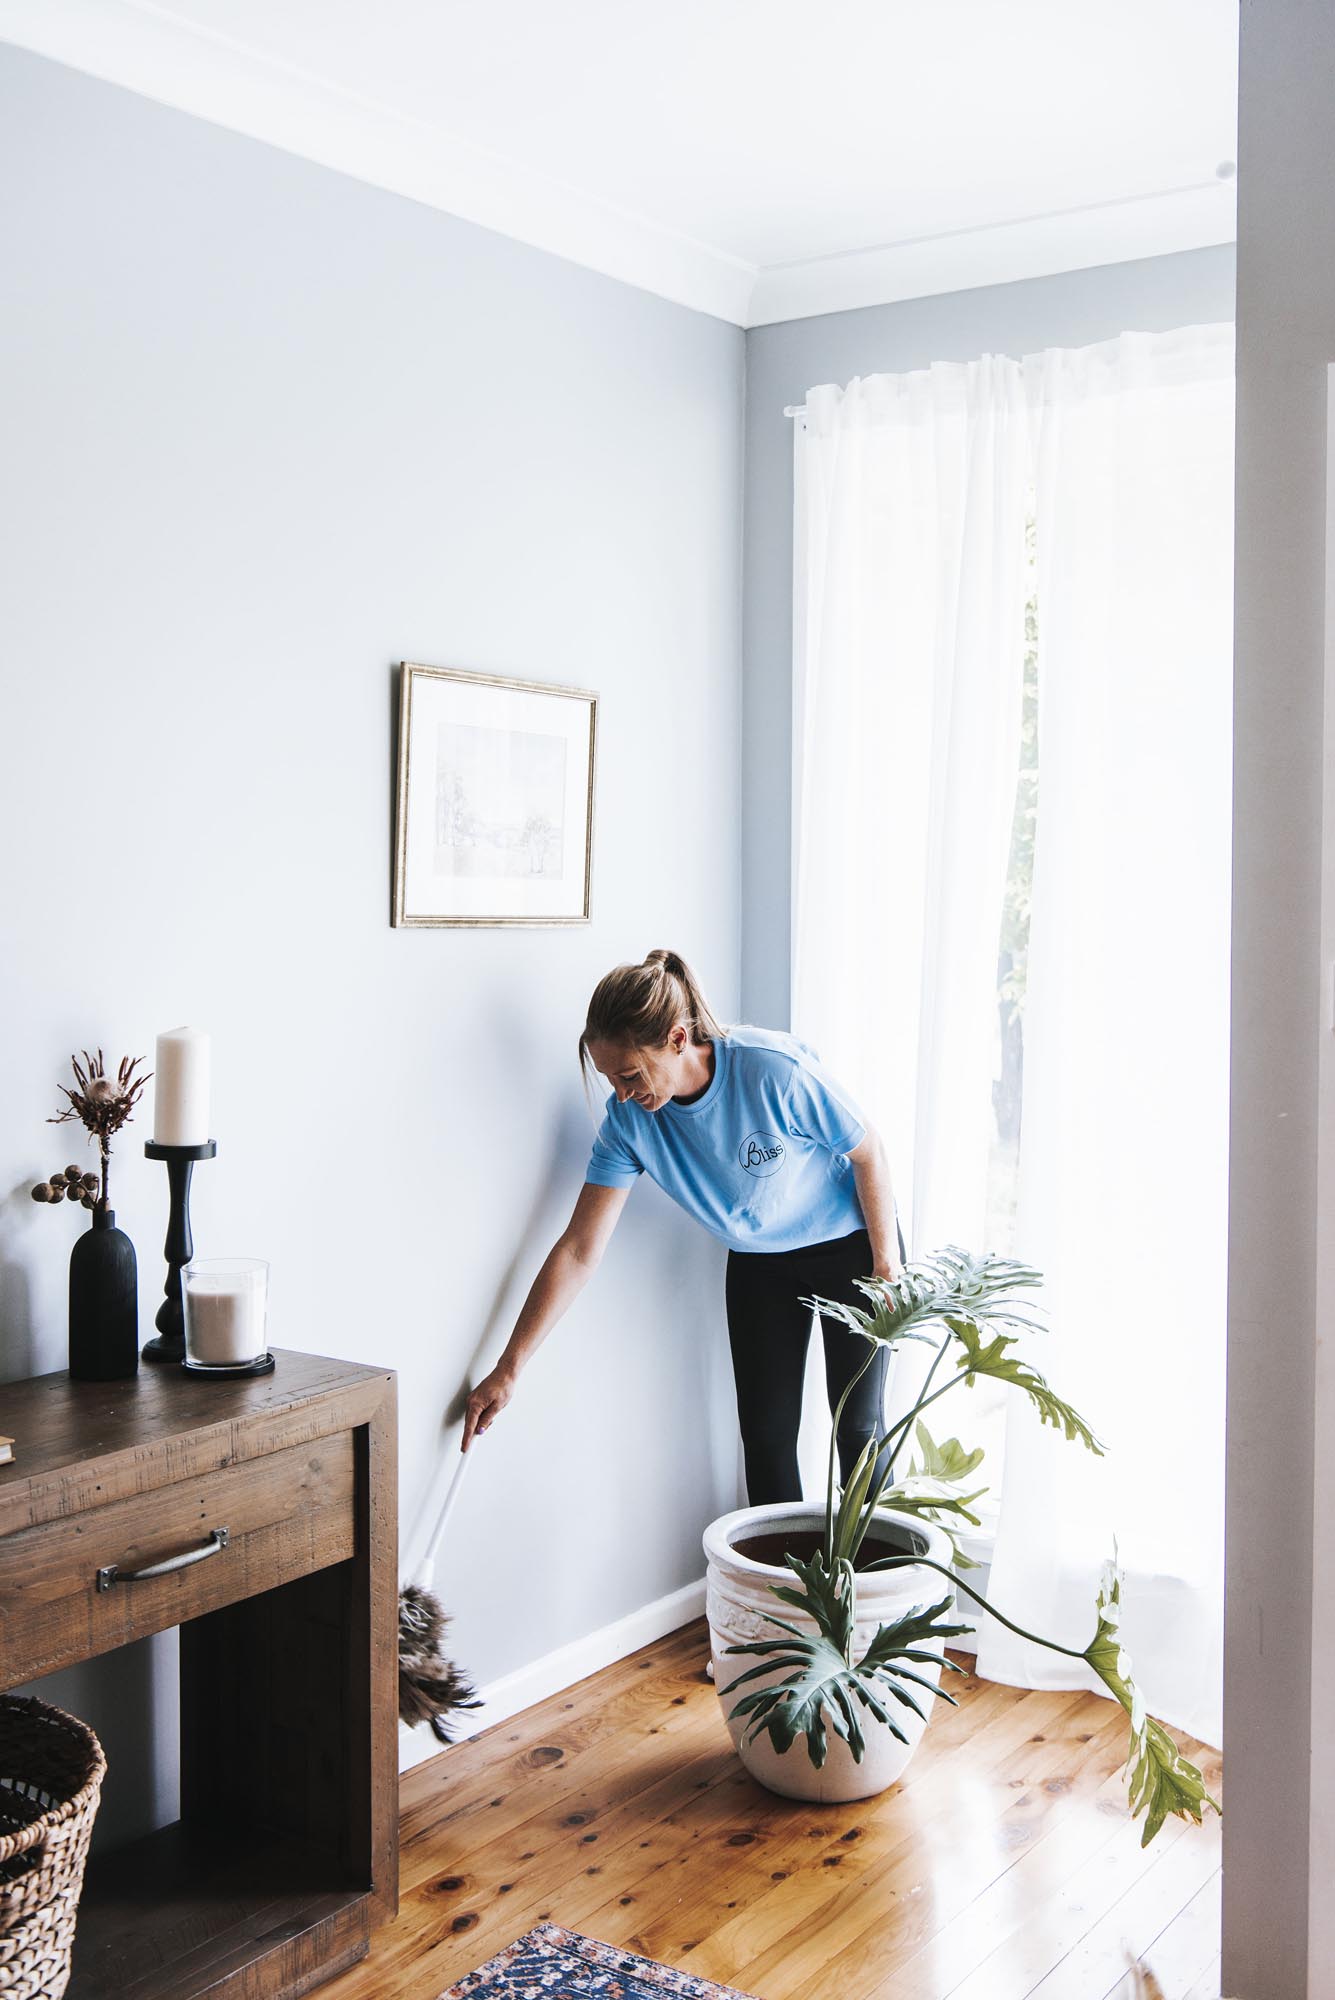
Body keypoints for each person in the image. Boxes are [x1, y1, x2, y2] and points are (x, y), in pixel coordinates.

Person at [461, 949, 905, 1504]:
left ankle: (886, 1588)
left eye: (629, 1075)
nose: (621, 1095)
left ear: (676, 1039)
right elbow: (578, 1249)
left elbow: (870, 1153)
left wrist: (886, 1267)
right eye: (609, 1080)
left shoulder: (772, 1071)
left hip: (852, 1248)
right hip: (760, 1263)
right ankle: (783, 1591)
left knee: (859, 1435)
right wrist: (509, 1367)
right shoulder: (630, 1124)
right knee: (765, 1440)